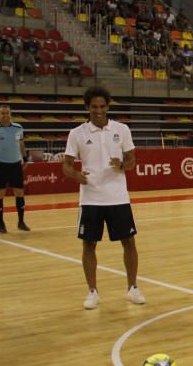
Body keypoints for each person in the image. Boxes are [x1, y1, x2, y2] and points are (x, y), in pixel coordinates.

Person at [62, 86, 145, 309]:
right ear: (87, 108)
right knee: (89, 244)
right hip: (91, 198)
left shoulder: (122, 130)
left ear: (108, 107)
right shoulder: (77, 133)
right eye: (94, 107)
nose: (98, 111)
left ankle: (133, 287)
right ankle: (92, 291)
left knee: (129, 242)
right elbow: (66, 165)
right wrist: (76, 175)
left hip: (118, 197)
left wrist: (122, 165)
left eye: (102, 107)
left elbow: (132, 160)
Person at [0, 104, 30, 233]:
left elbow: (21, 144)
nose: (5, 115)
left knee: (19, 193)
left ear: (10, 114)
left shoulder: (18, 128)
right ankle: (1, 224)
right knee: (0, 194)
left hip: (15, 164)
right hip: (0, 165)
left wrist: (25, 159)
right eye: (3, 113)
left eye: (7, 113)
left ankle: (21, 222)